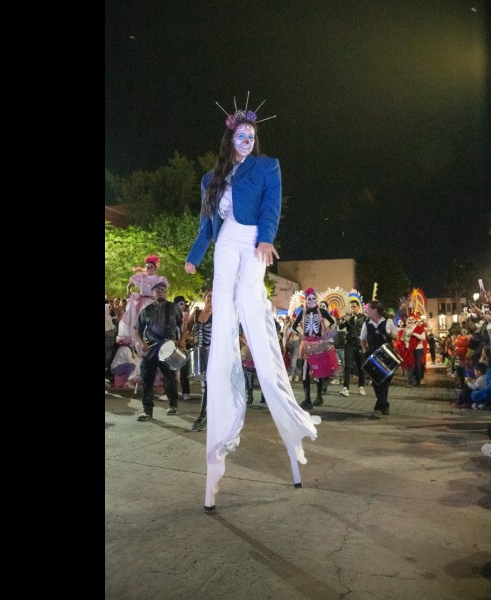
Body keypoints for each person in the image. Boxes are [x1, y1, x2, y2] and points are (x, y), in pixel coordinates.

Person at [184, 95, 320, 513]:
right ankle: (221, 408)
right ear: (230, 138)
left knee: (248, 299)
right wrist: (193, 257)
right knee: (224, 315)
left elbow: (270, 206)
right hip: (227, 243)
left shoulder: (267, 167)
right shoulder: (211, 178)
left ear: (255, 139)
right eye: (240, 134)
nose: (246, 139)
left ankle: (282, 400)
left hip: (253, 243)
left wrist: (266, 239)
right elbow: (207, 226)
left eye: (251, 135)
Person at [134, 281, 184, 421]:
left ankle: (173, 404)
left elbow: (182, 325)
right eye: (158, 290)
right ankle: (147, 411)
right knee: (147, 379)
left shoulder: (173, 308)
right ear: (152, 294)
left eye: (163, 290)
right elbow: (137, 330)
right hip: (151, 349)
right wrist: (142, 343)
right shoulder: (146, 311)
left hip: (169, 348)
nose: (161, 292)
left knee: (170, 379)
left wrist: (182, 339)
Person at [291, 288, 336, 410]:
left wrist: (326, 332)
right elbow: (293, 327)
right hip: (307, 345)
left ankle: (319, 396)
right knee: (305, 371)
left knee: (319, 371)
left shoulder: (322, 311)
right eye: (309, 299)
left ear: (316, 299)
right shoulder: (302, 313)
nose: (311, 301)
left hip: (319, 344)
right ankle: (307, 399)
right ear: (306, 300)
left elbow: (333, 322)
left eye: (313, 299)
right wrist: (300, 334)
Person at [118, 255, 169, 354]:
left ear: (155, 268)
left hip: (153, 302)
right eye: (147, 267)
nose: (149, 268)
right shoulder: (141, 277)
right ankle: (137, 345)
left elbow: (163, 291)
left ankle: (151, 344)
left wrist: (159, 298)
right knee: (136, 324)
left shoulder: (159, 279)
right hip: (141, 302)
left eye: (151, 267)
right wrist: (128, 292)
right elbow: (130, 285)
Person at [359, 299, 397, 415]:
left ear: (375, 310)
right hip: (373, 355)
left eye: (368, 309)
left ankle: (380, 406)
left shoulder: (388, 321)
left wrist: (389, 334)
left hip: (387, 355)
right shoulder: (366, 323)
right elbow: (362, 339)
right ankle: (383, 405)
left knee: (385, 381)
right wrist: (365, 351)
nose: (366, 311)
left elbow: (395, 336)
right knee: (376, 381)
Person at [184, 290, 212, 432]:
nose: (211, 299)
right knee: (205, 385)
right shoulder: (196, 314)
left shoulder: (219, 315)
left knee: (208, 385)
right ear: (204, 298)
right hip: (198, 353)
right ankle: (210, 414)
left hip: (213, 354)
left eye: (214, 296)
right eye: (209, 296)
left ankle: (202, 417)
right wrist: (185, 337)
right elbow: (187, 330)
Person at [338, 298, 367, 397]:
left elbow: (367, 330)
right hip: (349, 343)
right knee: (348, 365)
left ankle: (361, 386)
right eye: (351, 307)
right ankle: (345, 388)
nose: (352, 308)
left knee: (361, 366)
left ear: (358, 307)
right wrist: (343, 319)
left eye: (354, 306)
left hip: (359, 344)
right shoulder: (348, 318)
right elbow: (340, 326)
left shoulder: (363, 318)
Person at [173, 295, 192, 401]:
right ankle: (170, 392)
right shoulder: (171, 316)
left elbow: (188, 330)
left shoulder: (186, 316)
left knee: (184, 370)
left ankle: (186, 391)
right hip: (173, 345)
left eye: (184, 304)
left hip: (183, 346)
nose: (183, 306)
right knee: (171, 370)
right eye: (181, 304)